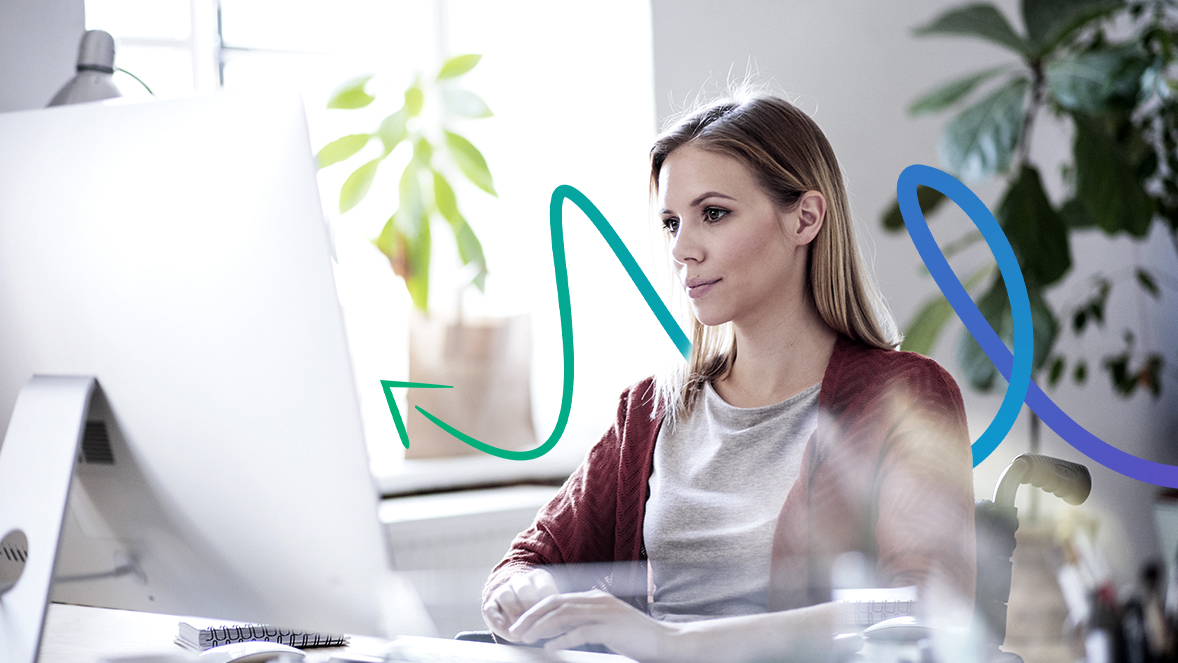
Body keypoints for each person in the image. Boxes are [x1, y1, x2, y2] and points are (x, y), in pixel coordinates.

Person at [480, 93, 977, 663]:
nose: (681, 249)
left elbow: (920, 604)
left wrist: (674, 642)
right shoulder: (649, 411)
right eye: (671, 222)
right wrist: (528, 595)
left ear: (804, 218)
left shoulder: (903, 396)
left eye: (712, 214)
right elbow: (524, 565)